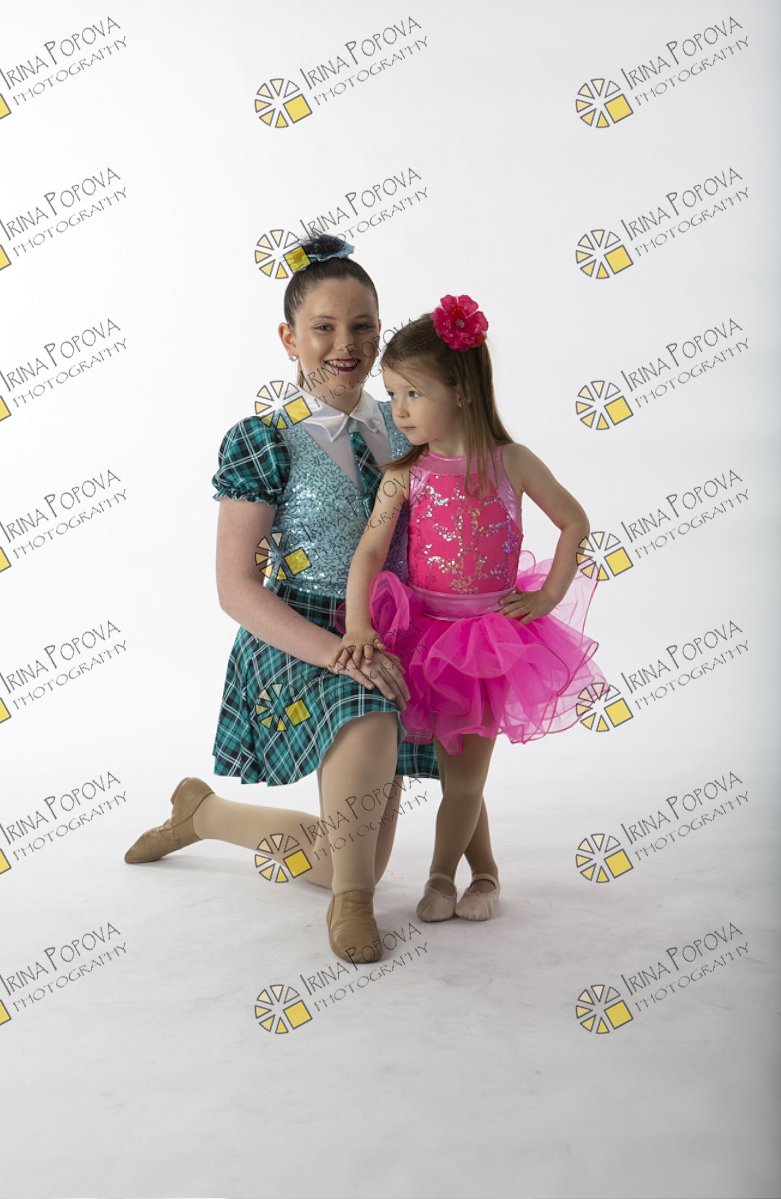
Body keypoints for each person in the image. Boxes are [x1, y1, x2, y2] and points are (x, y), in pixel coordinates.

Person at [122, 239, 496, 965]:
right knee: (368, 718)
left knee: (350, 849)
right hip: (300, 632)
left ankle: (204, 813)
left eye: (363, 325)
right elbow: (234, 587)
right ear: (289, 338)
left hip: (393, 628)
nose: (345, 344)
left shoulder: (411, 422)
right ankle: (351, 903)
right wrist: (339, 652)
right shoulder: (264, 440)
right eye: (324, 327)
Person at [331, 293, 608, 923]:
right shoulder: (406, 473)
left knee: (462, 779)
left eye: (413, 394)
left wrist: (547, 596)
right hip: (423, 637)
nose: (399, 409)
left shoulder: (511, 462)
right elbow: (370, 551)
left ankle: (440, 879)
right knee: (459, 770)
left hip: (487, 643)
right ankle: (484, 874)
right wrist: (359, 623)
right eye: (392, 394)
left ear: (460, 391)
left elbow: (575, 521)